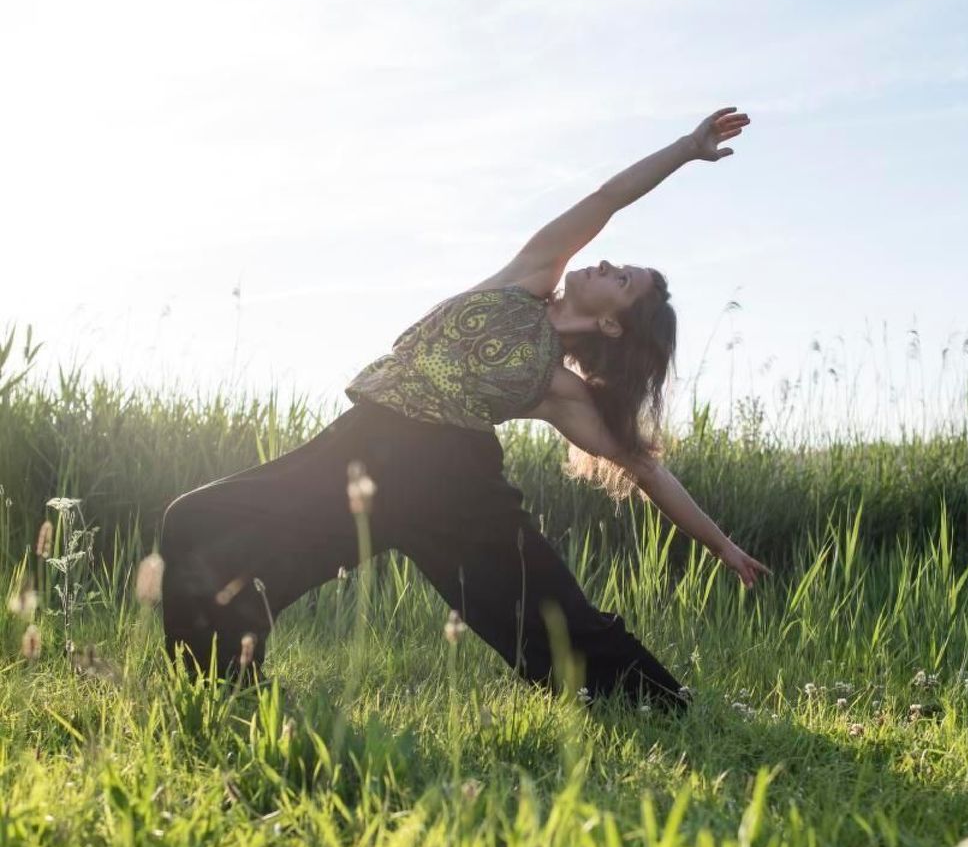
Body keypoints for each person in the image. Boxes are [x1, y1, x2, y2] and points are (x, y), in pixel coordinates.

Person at [159, 106, 770, 711]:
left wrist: (721, 546)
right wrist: (685, 148)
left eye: (623, 280)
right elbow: (607, 198)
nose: (608, 264)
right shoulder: (528, 275)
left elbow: (646, 469)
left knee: (544, 613)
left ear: (612, 324)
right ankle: (221, 688)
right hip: (361, 445)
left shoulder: (559, 389)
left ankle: (665, 705)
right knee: (197, 522)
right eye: (618, 265)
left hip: (450, 480)